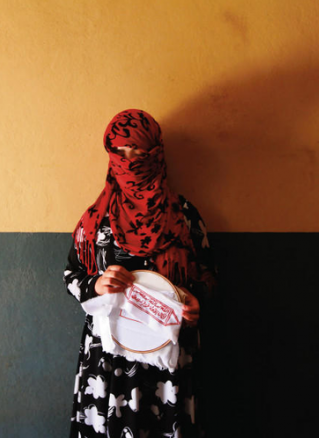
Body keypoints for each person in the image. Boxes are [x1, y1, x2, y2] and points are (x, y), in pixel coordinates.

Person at [64, 109, 215, 437]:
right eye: (120, 152)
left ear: (156, 154)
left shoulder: (184, 216)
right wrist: (97, 285)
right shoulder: (96, 220)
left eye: (138, 151)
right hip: (110, 356)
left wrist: (197, 300)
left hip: (167, 354)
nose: (129, 161)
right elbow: (71, 274)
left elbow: (207, 273)